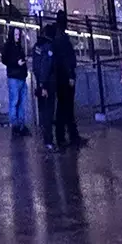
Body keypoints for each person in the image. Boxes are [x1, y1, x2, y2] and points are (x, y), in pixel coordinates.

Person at [51, 11, 85, 150]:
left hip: (60, 77)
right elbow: (66, 59)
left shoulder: (57, 37)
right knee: (66, 107)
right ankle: (67, 135)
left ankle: (66, 135)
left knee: (63, 106)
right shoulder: (62, 38)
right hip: (65, 77)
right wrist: (70, 75)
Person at [31, 24, 57, 149]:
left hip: (40, 82)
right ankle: (48, 140)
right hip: (48, 83)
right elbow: (46, 66)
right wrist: (44, 84)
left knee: (43, 111)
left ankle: (45, 138)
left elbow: (36, 66)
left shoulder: (37, 46)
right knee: (49, 111)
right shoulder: (48, 46)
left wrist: (39, 82)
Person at [1, 27, 30, 136]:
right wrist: (16, 63)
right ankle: (16, 125)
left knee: (20, 102)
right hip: (14, 77)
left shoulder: (18, 46)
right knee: (15, 101)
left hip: (20, 76)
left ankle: (20, 125)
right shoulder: (9, 46)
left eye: (18, 35)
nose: (18, 37)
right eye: (16, 35)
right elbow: (4, 60)